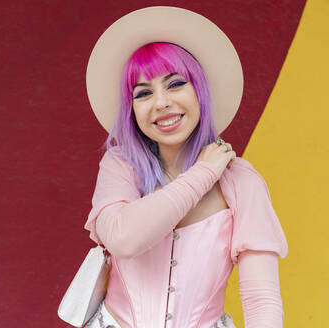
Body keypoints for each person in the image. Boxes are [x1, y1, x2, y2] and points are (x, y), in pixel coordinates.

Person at [83, 7, 288, 328]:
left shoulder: (241, 181)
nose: (161, 102)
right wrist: (203, 174)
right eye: (144, 93)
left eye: (176, 84)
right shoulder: (120, 166)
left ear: (200, 91)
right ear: (132, 109)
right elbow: (124, 240)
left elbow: (261, 300)